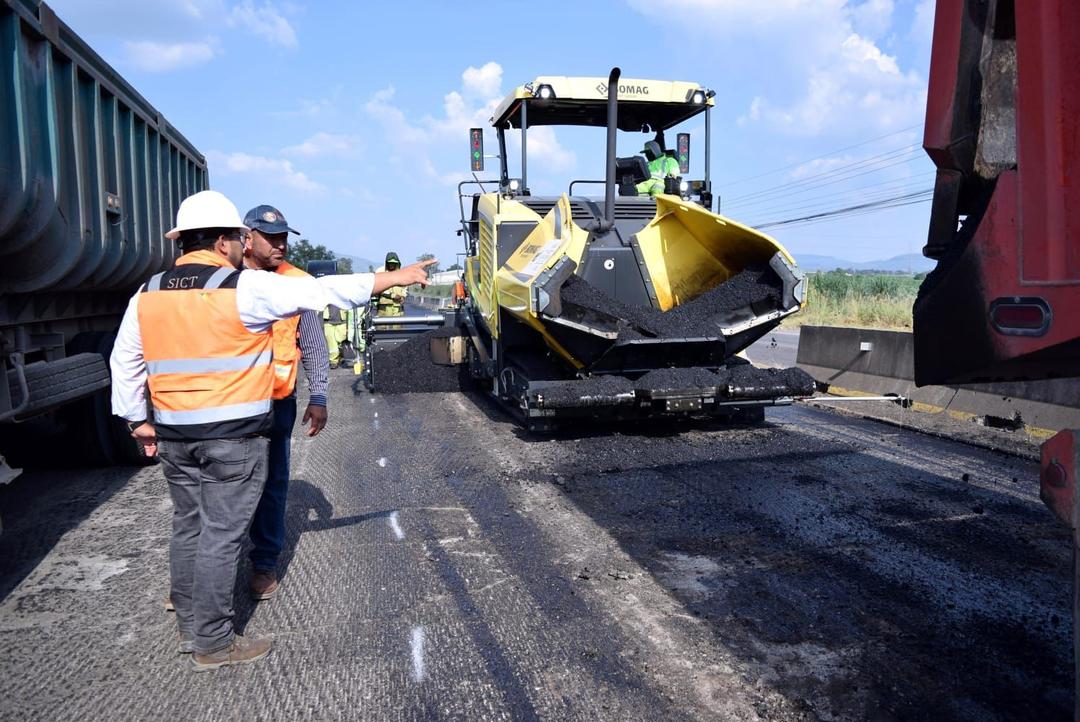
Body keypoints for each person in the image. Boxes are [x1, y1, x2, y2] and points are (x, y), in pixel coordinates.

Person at [110, 190, 434, 671]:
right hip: (232, 434)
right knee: (222, 535)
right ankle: (214, 643)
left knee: (189, 525)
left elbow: (125, 361)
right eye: (239, 239)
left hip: (174, 435)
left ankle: (188, 628)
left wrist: (138, 419)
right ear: (223, 242)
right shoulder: (241, 287)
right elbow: (324, 292)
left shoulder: (148, 292)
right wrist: (397, 277)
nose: (244, 246)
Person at [241, 204, 329, 601]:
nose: (280, 246)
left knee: (273, 484)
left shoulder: (297, 282)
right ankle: (202, 573)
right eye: (271, 238)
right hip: (230, 402)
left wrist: (320, 394)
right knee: (224, 489)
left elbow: (311, 342)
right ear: (247, 237)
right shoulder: (227, 279)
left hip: (278, 402)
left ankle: (263, 562)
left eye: (283, 238)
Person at [373, 252, 407, 316]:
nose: (391, 265)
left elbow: (404, 288)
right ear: (387, 263)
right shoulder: (380, 272)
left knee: (397, 325)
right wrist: (393, 296)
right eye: (390, 263)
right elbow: (378, 288)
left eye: (394, 263)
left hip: (398, 307)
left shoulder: (401, 274)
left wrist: (403, 297)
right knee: (383, 325)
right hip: (384, 307)